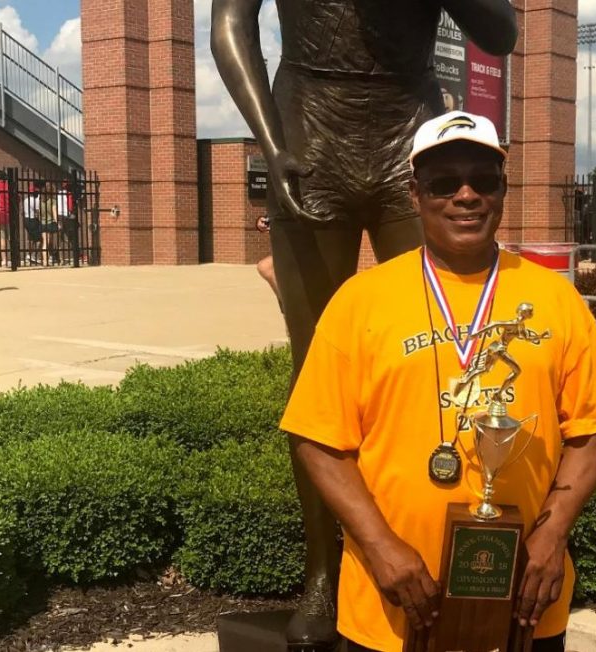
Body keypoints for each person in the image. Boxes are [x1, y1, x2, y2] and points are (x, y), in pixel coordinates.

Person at [210, 2, 517, 646]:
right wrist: (271, 145)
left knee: (442, 357)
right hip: (306, 126)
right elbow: (231, 27)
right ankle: (325, 573)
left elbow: (501, 31)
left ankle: (440, 549)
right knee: (318, 373)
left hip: (411, 124)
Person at [281, 112, 596, 652]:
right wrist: (381, 549)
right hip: (392, 602)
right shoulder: (359, 301)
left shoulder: (557, 298)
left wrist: (553, 533)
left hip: (523, 600)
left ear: (503, 190)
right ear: (415, 194)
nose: (465, 195)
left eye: (483, 180)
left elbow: (591, 431)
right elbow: (318, 440)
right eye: (444, 183)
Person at [21, 183, 43, 265]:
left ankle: (28, 255)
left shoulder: (25, 200)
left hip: (26, 220)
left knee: (31, 239)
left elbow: (22, 211)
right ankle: (33, 256)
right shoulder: (35, 200)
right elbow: (38, 212)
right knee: (39, 239)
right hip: (33, 220)